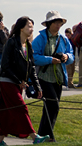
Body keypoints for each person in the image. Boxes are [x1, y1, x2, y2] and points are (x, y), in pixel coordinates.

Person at [0, 16, 48, 145]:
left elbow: (32, 68)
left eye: (32, 26)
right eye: (29, 26)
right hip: (7, 81)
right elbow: (5, 65)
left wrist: (38, 87)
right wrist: (18, 81)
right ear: (21, 28)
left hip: (18, 83)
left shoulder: (28, 45)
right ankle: (35, 137)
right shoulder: (11, 42)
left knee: (6, 113)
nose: (31, 29)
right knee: (21, 107)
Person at [32, 11, 74, 142]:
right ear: (49, 24)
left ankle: (42, 135)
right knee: (53, 106)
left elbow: (71, 54)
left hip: (58, 78)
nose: (58, 25)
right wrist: (50, 60)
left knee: (50, 107)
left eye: (60, 22)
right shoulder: (40, 38)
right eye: (56, 22)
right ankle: (50, 137)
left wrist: (67, 57)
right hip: (43, 77)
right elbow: (33, 57)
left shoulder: (63, 39)